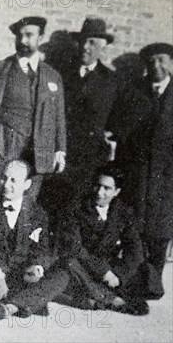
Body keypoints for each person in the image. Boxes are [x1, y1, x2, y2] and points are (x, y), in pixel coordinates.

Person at [0, 17, 66, 199]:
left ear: (40, 38)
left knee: (27, 204)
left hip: (38, 152)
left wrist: (60, 150)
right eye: (19, 36)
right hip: (3, 145)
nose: (23, 41)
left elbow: (58, 116)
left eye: (29, 35)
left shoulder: (53, 76)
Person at [0, 160, 69, 320]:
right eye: (4, 178)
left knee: (62, 276)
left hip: (19, 275)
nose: (5, 184)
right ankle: (25, 301)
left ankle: (9, 307)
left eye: (13, 180)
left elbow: (42, 249)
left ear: (27, 184)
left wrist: (37, 267)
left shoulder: (37, 213)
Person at [112, 43, 173, 300]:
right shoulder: (135, 92)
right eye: (151, 62)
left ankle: (153, 281)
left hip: (167, 178)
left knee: (159, 231)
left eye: (161, 60)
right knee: (135, 228)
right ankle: (133, 279)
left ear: (170, 62)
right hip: (138, 175)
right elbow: (121, 130)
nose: (156, 66)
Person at [57, 165, 148, 315]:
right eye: (97, 186)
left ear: (116, 192)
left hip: (110, 268)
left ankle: (92, 296)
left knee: (146, 273)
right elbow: (75, 247)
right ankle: (110, 299)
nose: (99, 193)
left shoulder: (123, 212)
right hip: (85, 264)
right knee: (69, 263)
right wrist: (104, 272)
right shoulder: (77, 208)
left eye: (106, 188)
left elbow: (135, 249)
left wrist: (119, 276)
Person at [61, 18, 119, 194]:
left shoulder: (111, 80)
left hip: (91, 157)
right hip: (64, 151)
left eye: (92, 42)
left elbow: (128, 110)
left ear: (102, 47)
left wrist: (113, 133)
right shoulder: (62, 74)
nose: (85, 46)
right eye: (83, 41)